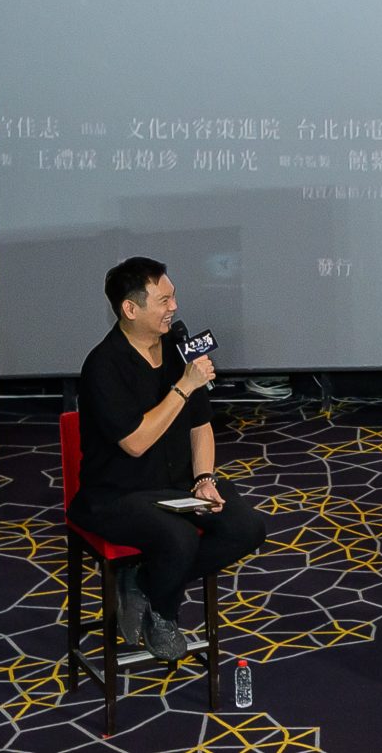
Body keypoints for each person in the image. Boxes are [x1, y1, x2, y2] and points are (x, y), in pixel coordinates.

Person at [71, 257, 268, 661]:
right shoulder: (103, 365)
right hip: (117, 495)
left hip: (177, 486)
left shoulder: (178, 351)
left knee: (246, 527)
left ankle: (143, 583)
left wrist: (205, 479)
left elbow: (201, 426)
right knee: (178, 538)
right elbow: (136, 442)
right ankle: (163, 614)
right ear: (130, 309)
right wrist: (184, 386)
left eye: (173, 297)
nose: (174, 307)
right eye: (163, 301)